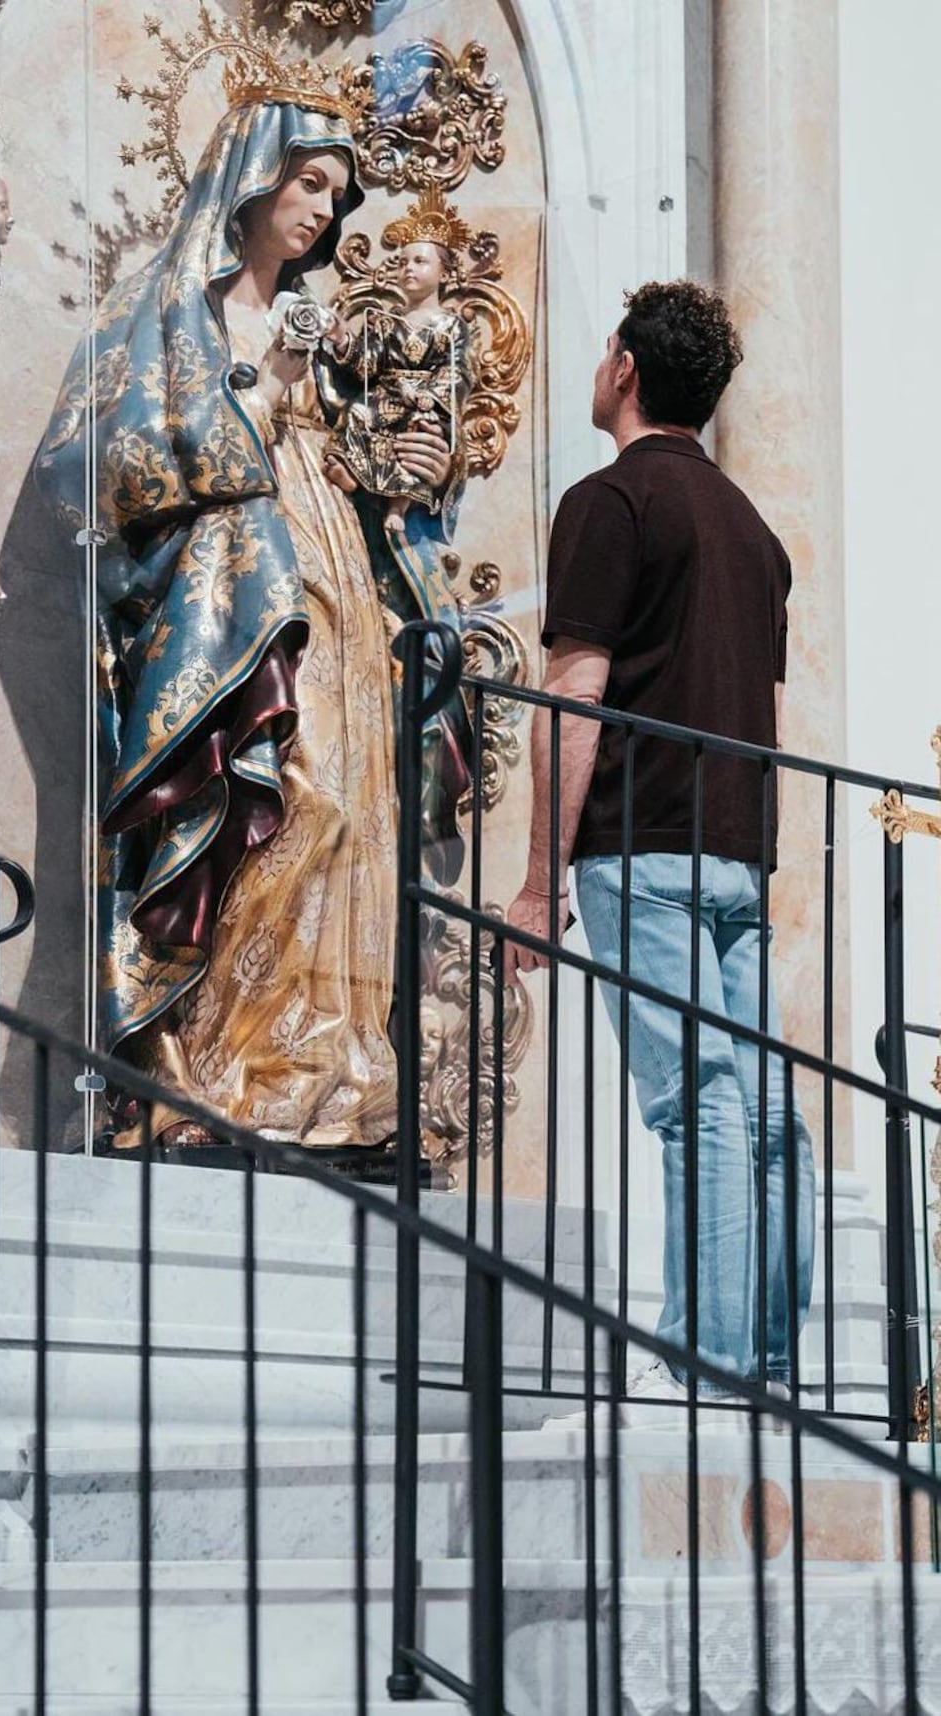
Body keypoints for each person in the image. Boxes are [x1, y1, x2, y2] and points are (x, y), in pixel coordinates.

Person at [34, 65, 469, 1160]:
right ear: (254, 176)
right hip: (227, 602)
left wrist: (399, 457)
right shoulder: (170, 314)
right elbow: (88, 464)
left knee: (343, 802)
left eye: (335, 195)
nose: (323, 211)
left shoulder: (308, 316)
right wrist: (261, 398)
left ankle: (321, 1069)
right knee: (273, 790)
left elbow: (346, 452)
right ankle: (212, 1066)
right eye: (309, 183)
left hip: (327, 580)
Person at [506, 280, 814, 1410]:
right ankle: (769, 1362)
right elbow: (763, 716)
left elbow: (575, 691)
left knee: (695, 1103)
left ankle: (705, 1363)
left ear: (628, 370)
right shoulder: (753, 530)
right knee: (764, 1109)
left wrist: (541, 885)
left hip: (643, 847)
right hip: (737, 848)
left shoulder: (611, 501)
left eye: (604, 351)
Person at [323, 187, 472, 535]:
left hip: (421, 404)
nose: (408, 269)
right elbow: (367, 364)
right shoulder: (385, 321)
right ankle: (355, 476)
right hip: (387, 397)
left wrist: (430, 396)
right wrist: (344, 340)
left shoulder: (451, 326)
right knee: (358, 413)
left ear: (444, 273)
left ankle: (399, 505)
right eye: (403, 262)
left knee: (417, 438)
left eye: (420, 261)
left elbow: (459, 371)